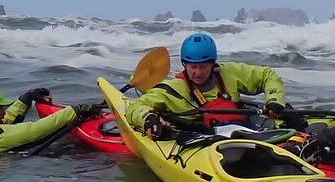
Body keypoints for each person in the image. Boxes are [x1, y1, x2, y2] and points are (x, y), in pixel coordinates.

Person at [123, 32, 288, 138]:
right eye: (193, 67)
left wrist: (274, 100)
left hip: (241, 133)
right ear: (185, 65)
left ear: (212, 64)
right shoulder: (173, 90)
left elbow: (267, 75)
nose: (198, 72)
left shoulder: (229, 73)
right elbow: (135, 107)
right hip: (202, 140)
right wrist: (148, 118)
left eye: (203, 66)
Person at [0, 84, 103, 156]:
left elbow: (5, 123)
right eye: (0, 107)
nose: (4, 111)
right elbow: (32, 131)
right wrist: (75, 111)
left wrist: (26, 98)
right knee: (72, 150)